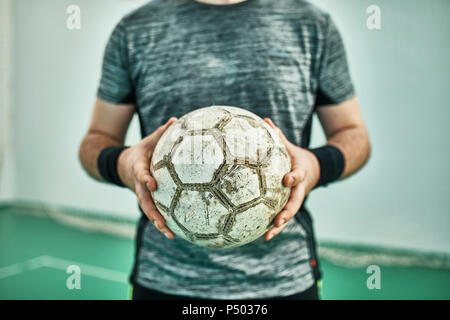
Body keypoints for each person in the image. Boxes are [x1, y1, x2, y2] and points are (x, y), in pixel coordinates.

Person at [79, 0, 371, 300]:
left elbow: (354, 135)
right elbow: (97, 139)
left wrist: (316, 166)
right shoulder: (135, 30)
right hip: (165, 278)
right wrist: (124, 164)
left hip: (283, 280)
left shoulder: (313, 26)